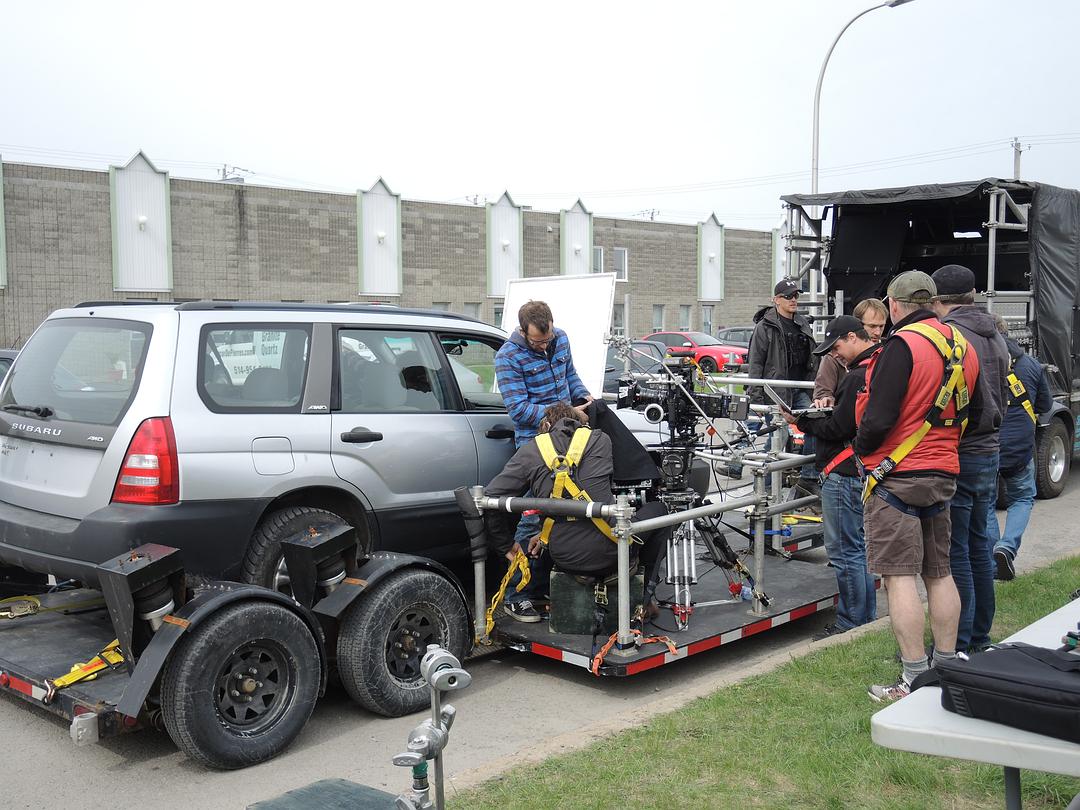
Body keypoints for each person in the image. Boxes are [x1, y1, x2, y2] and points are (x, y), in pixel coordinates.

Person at [853, 271, 981, 702]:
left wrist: (860, 448)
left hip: (896, 474)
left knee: (899, 576)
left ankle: (912, 677)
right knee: (939, 573)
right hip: (943, 472)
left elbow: (878, 417)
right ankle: (946, 665)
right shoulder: (962, 345)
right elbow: (980, 415)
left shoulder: (901, 345)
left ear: (893, 305)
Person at [482, 402, 670, 606]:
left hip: (563, 557)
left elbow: (491, 498)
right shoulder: (601, 440)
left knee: (540, 532)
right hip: (612, 552)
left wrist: (506, 545)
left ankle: (531, 593)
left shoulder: (530, 451)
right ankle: (644, 597)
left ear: (546, 426)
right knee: (660, 510)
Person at [493, 300, 593, 621]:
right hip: (536, 443)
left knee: (569, 512)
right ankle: (516, 595)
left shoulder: (559, 338)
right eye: (538, 342)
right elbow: (519, 410)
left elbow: (570, 377)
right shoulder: (507, 357)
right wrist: (566, 413)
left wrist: (585, 399)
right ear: (523, 332)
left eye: (547, 339)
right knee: (534, 516)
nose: (545, 345)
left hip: (571, 437)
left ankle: (547, 585)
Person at [783, 315, 879, 638]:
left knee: (844, 552)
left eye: (836, 347)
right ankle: (865, 618)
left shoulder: (855, 377)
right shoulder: (876, 368)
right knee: (858, 549)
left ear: (852, 337)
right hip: (859, 469)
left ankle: (850, 622)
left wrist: (802, 421)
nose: (835, 355)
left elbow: (839, 426)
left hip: (841, 472)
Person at [930, 264, 1009, 653]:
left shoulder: (953, 337)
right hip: (990, 448)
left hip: (963, 449)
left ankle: (958, 642)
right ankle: (979, 636)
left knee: (956, 549)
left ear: (937, 300)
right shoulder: (995, 333)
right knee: (979, 544)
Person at [987, 315, 1053, 580]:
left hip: (986, 446)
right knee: (1022, 498)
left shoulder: (977, 361)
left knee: (986, 504)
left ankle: (992, 560)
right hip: (1020, 449)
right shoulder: (1031, 364)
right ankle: (1006, 547)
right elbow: (1045, 406)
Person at [749, 278, 818, 491]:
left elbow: (812, 358)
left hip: (800, 388)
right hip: (776, 392)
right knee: (779, 436)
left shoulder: (802, 323)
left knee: (817, 424)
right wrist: (756, 398)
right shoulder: (764, 327)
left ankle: (808, 478)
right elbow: (755, 363)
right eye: (788, 296)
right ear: (776, 300)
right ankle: (765, 487)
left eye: (795, 295)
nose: (793, 300)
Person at [812, 298, 888, 407]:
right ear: (858, 325)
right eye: (872, 326)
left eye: (881, 326)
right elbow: (822, 392)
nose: (877, 332)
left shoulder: (890, 351)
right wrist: (826, 399)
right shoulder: (833, 358)